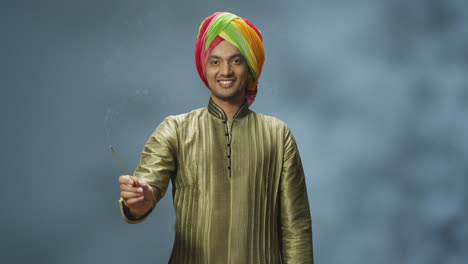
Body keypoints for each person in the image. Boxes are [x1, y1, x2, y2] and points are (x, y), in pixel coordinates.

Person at [118, 11, 314, 263]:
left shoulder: (278, 134)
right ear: (204, 66)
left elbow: (295, 226)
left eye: (236, 61)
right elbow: (146, 189)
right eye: (215, 61)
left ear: (250, 67)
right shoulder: (175, 129)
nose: (225, 71)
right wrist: (139, 202)